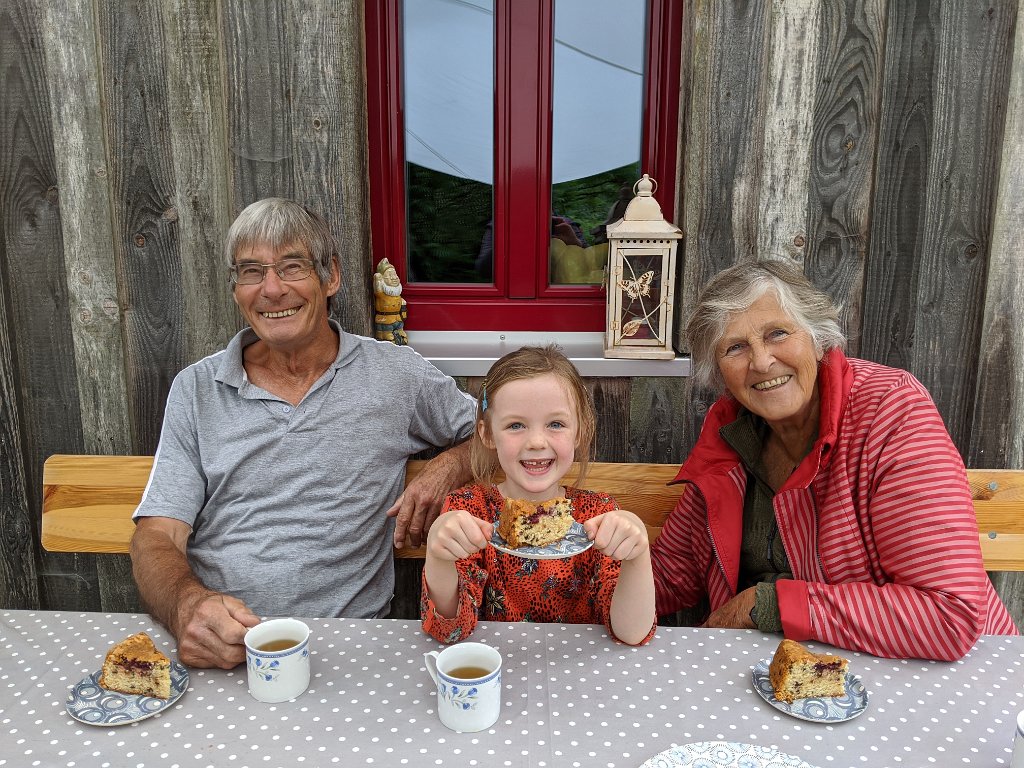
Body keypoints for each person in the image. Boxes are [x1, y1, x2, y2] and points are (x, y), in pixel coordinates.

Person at [130, 198, 477, 669]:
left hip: (348, 646)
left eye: (291, 267)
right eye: (252, 272)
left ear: (330, 277)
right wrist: (185, 606)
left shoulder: (395, 375)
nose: (272, 290)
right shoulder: (197, 389)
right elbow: (157, 535)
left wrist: (450, 465)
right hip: (227, 644)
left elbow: (496, 433)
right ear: (236, 289)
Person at [650, 259, 1018, 661]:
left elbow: (948, 615)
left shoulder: (892, 410)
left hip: (934, 677)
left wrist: (764, 604)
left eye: (777, 333)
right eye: (735, 347)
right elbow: (671, 574)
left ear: (818, 336)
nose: (760, 362)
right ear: (718, 371)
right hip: (791, 675)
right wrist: (580, 578)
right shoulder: (732, 435)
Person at [421, 345, 656, 646]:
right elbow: (449, 631)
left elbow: (632, 633)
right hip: (495, 669)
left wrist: (637, 555)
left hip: (578, 671)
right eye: (516, 425)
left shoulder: (599, 516)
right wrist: (439, 556)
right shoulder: (468, 511)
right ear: (488, 434)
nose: (535, 441)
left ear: (580, 431)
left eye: (555, 424)